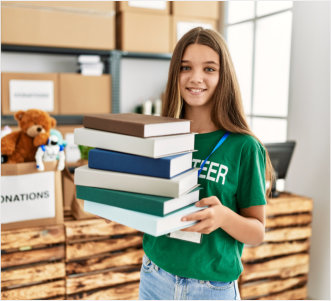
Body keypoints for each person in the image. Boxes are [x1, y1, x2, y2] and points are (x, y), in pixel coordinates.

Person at [139, 27, 273, 300]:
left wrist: (223, 217)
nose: (196, 78)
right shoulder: (159, 136)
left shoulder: (244, 147)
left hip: (211, 289)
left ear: (224, 77)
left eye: (209, 69)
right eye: (185, 67)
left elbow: (257, 231)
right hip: (155, 277)